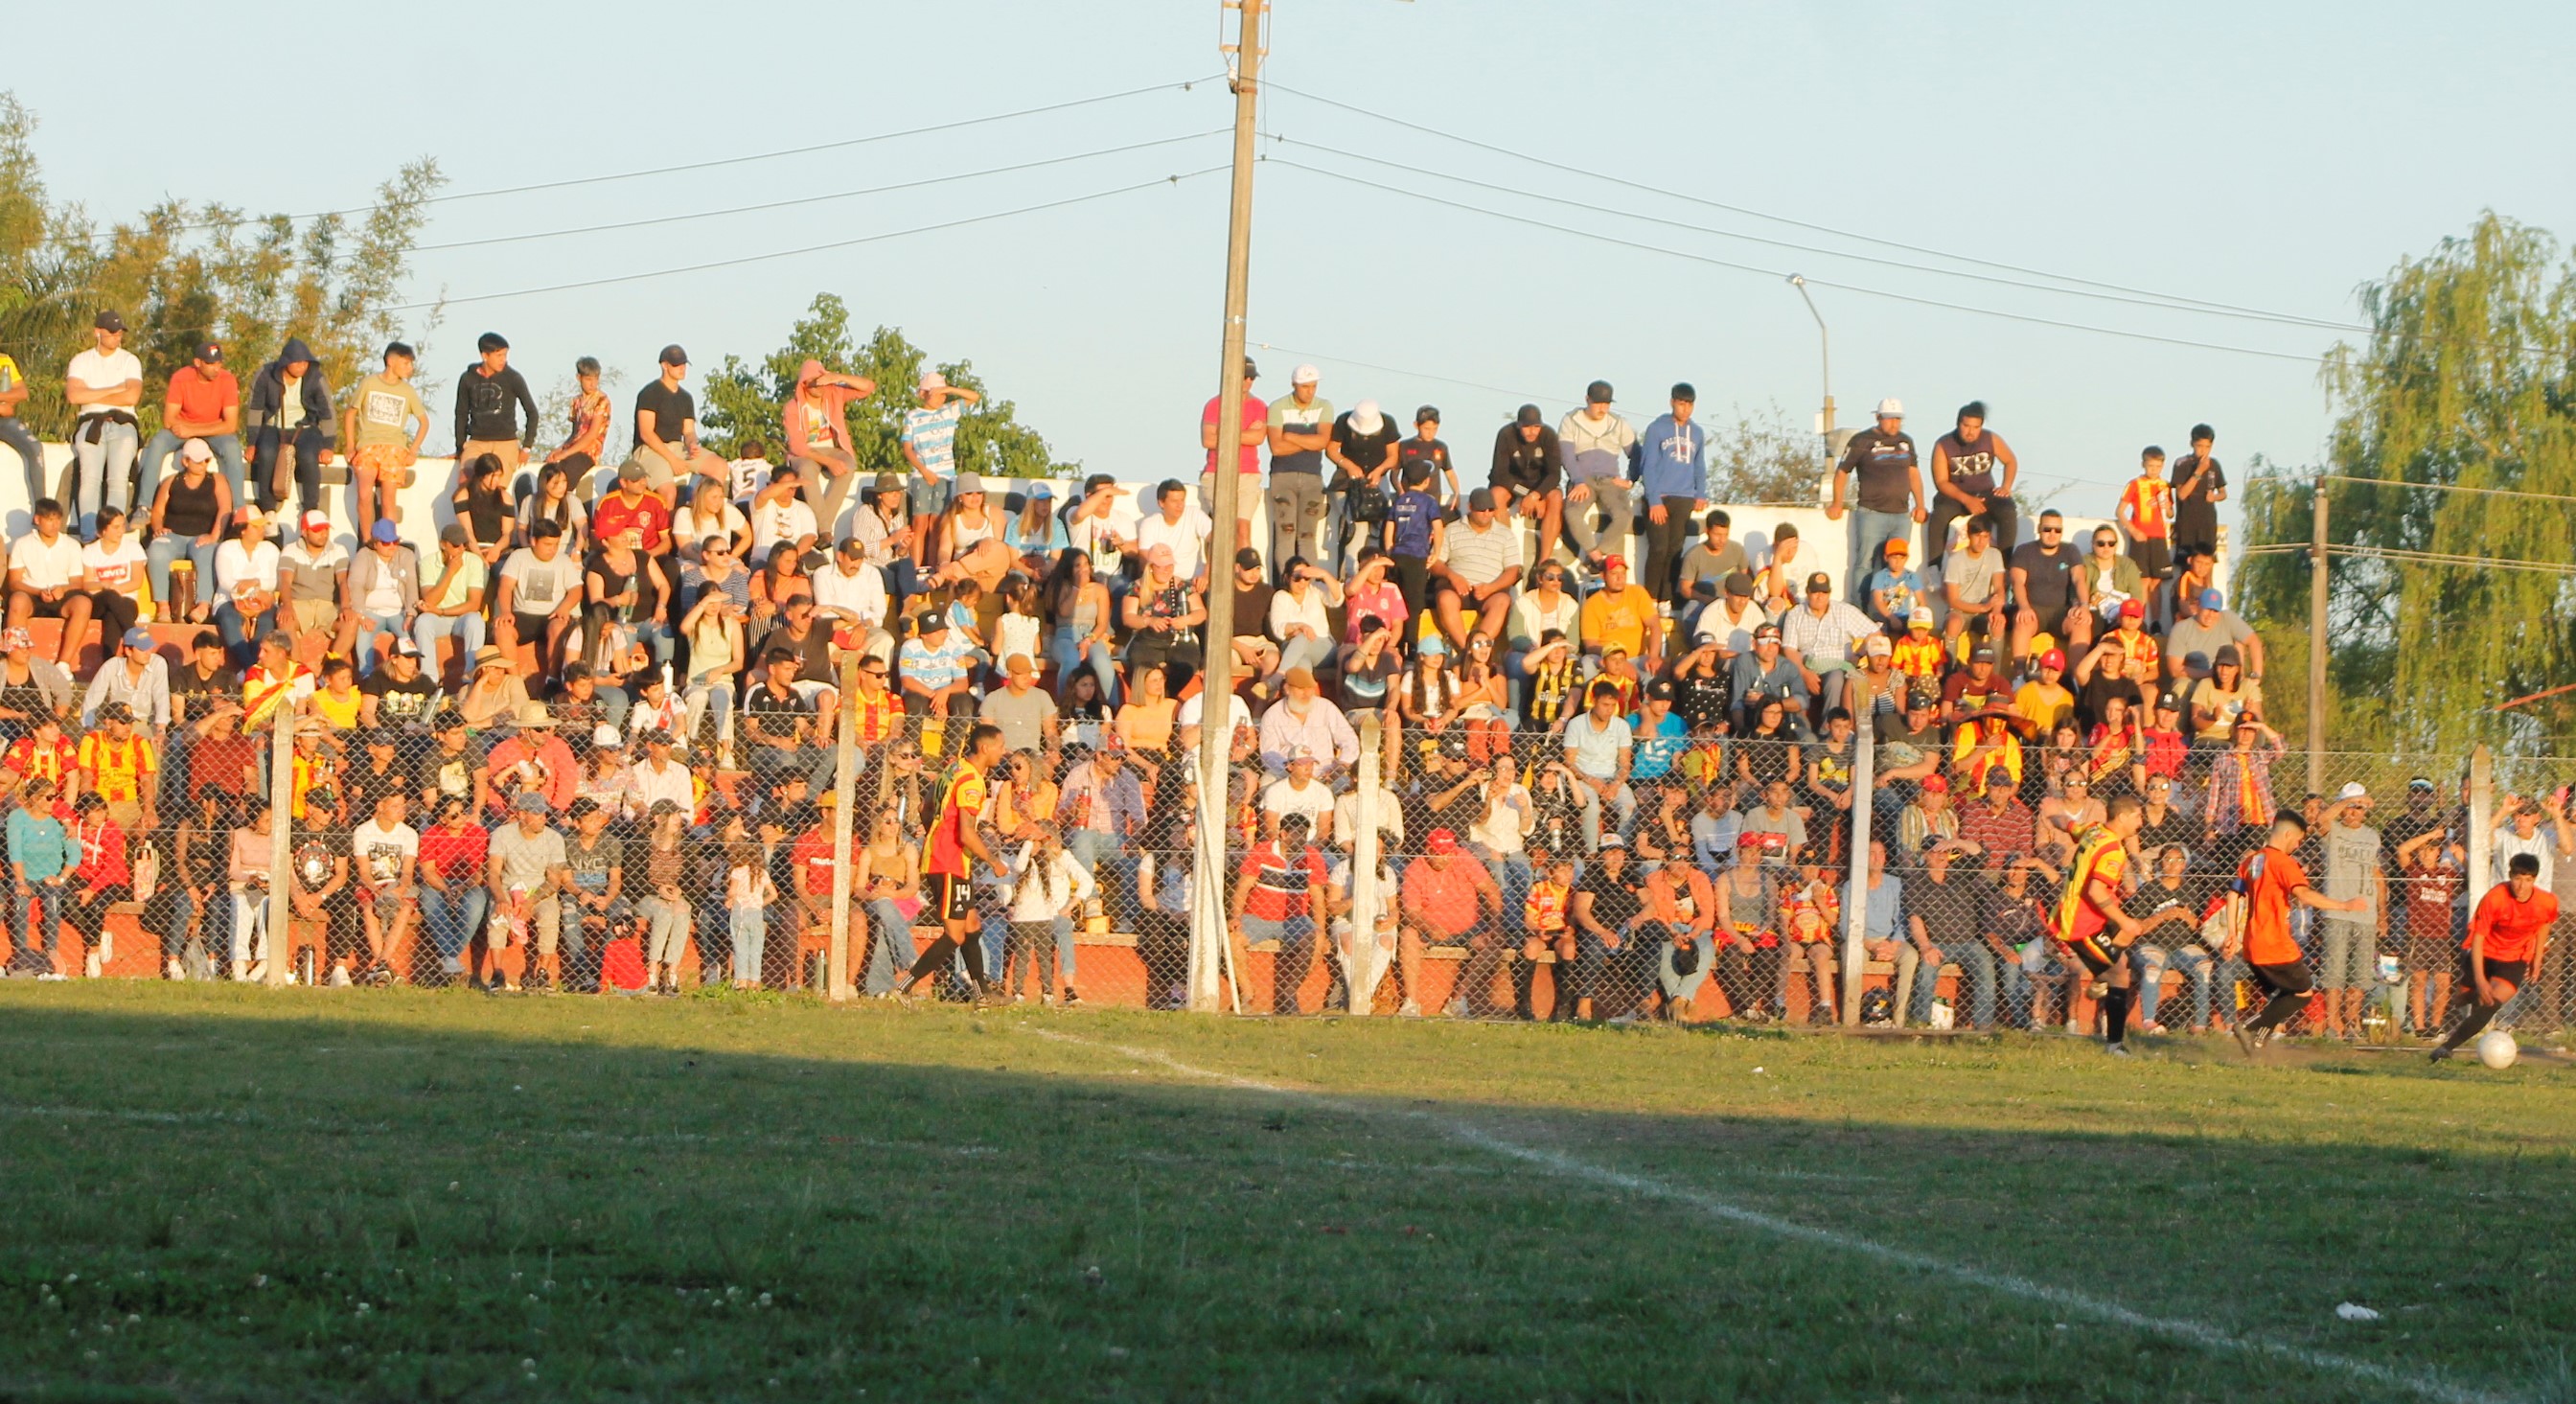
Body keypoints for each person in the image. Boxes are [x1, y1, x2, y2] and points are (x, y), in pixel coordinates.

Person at [2225, 807, 2369, 1053]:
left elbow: (2233, 893)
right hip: (2274, 944)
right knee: (2304, 992)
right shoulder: (2284, 862)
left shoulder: (2252, 860)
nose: (2297, 846)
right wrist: (2344, 905)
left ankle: (2258, 1041)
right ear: (2288, 835)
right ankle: (2249, 1027)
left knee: (2286, 994)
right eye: (2298, 840)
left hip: (2251, 943)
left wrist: (2231, 932)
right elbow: (2303, 893)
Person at [899, 723, 1006, 1000]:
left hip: (942, 857)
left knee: (971, 925)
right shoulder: (972, 781)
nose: (1002, 753)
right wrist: (994, 861)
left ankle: (983, 994)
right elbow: (967, 833)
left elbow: (927, 807)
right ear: (985, 748)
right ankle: (904, 987)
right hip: (950, 862)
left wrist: (935, 832)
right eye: (1000, 747)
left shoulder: (953, 768)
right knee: (955, 934)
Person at [2038, 795, 2149, 1052]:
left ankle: (2102, 979)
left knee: (2119, 959)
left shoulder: (2094, 829)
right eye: (2137, 817)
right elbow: (2097, 891)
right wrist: (2126, 922)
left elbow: (2068, 825)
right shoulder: (2113, 849)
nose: (2140, 823)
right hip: (2081, 924)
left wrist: (2053, 815)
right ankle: (2115, 1045)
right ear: (2122, 817)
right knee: (2121, 975)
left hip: (2077, 914)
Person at [1231, 811, 1331, 1015]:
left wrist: (1321, 928)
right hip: (1257, 917)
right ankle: (1247, 993)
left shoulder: (1312, 856)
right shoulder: (1263, 850)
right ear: (1284, 834)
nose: (1301, 839)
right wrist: (1235, 916)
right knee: (1233, 938)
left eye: (1304, 834)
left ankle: (1290, 992)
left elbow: (1318, 899)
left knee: (1317, 939)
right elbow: (1243, 888)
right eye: (1297, 834)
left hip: (1295, 920)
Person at [1827, 397, 1924, 585]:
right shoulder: (1862, 440)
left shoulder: (1906, 442)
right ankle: (1861, 610)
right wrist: (1837, 502)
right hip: (1872, 513)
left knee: (1897, 566)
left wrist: (1920, 505)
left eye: (1898, 419)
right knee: (1866, 564)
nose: (1894, 424)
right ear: (1878, 417)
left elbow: (1914, 474)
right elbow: (1842, 472)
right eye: (1889, 418)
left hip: (1901, 515)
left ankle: (1891, 609)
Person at [64, 311, 146, 533]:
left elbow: (131, 397)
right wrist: (115, 390)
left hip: (123, 422)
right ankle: (89, 533)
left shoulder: (129, 360)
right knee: (89, 480)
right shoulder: (81, 361)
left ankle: (114, 533)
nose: (116, 337)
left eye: (119, 333)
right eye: (111, 333)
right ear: (97, 332)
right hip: (91, 422)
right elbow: (74, 396)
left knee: (117, 481)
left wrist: (91, 393)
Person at [341, 341, 431, 536]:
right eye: (406, 363)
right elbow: (350, 413)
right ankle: (367, 540)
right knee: (364, 494)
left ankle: (387, 538)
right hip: (368, 445)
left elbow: (424, 422)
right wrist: (350, 445)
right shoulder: (369, 383)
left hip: (395, 448)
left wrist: (413, 449)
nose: (410, 368)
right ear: (391, 361)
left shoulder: (408, 391)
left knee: (389, 499)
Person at [140, 341, 244, 508]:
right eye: (210, 363)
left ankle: (238, 510)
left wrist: (193, 430)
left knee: (233, 448)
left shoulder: (228, 380)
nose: (216, 368)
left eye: (219, 363)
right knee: (158, 442)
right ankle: (144, 506)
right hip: (182, 428)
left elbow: (231, 425)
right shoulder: (181, 378)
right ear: (198, 363)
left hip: (212, 430)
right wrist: (186, 429)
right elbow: (169, 419)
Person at [781, 358, 877, 532]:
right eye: (814, 383)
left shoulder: (834, 393)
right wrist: (828, 462)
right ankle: (825, 530)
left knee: (847, 466)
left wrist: (838, 377)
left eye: (822, 382)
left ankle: (821, 527)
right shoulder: (792, 407)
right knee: (806, 471)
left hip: (833, 449)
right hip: (806, 453)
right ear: (804, 384)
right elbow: (796, 445)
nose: (820, 386)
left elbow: (868, 387)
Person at [244, 337, 337, 516]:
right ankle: (268, 508)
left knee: (309, 457)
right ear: (286, 362)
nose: (302, 367)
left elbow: (328, 412)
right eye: (297, 363)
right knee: (266, 454)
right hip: (272, 426)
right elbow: (255, 410)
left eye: (305, 362)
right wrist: (251, 442)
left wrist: (328, 445)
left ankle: (311, 509)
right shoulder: (265, 374)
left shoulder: (316, 378)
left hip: (305, 427)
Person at [1635, 383, 1711, 598]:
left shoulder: (1696, 432)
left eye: (1689, 404)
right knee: (1658, 547)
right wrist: (1654, 499)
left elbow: (1699, 464)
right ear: (1672, 403)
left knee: (1675, 549)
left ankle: (1666, 599)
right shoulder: (1657, 429)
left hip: (1684, 497)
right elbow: (1647, 466)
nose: (1685, 409)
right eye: (1681, 404)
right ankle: (1649, 597)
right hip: (1660, 496)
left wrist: (1701, 493)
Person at [1429, 488, 1524, 655]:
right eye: (1482, 510)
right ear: (1470, 507)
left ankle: (1479, 647)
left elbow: (1513, 570)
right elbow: (1435, 562)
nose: (1487, 514)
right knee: (1445, 598)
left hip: (1490, 590)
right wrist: (1453, 576)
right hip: (1457, 587)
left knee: (1502, 600)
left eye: (1490, 510)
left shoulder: (1506, 535)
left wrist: (1491, 588)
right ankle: (1468, 650)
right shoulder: (1451, 530)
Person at [1557, 381, 1639, 576]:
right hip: (1583, 479)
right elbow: (1566, 455)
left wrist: (1630, 479)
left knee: (1624, 515)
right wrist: (1578, 481)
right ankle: (1595, 557)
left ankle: (1597, 555)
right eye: (1598, 403)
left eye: (1607, 404)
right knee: (1572, 512)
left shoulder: (1618, 423)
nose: (1603, 408)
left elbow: (1636, 453)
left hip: (1610, 479)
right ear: (1587, 400)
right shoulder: (1571, 420)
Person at [1925, 401, 2018, 569]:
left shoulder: (1991, 439)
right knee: (1939, 515)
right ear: (1958, 423)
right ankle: (1933, 568)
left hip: (1985, 492)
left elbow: (2010, 461)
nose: (1970, 432)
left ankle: (2005, 567)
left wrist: (2006, 486)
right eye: (1966, 426)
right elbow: (1941, 482)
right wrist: (1966, 500)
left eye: (1976, 427)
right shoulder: (1943, 444)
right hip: (1955, 495)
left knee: (2008, 510)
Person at [628, 345, 725, 504]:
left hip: (677, 447)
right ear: (664, 365)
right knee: (669, 493)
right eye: (676, 365)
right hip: (650, 450)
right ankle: (667, 527)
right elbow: (646, 433)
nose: (682, 369)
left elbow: (688, 431)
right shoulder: (649, 393)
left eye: (684, 364)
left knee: (719, 466)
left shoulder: (686, 397)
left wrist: (692, 443)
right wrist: (672, 460)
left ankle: (697, 511)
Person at [8, 498, 94, 670]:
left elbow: (77, 582)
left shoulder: (71, 545)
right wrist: (38, 591)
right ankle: (17, 662)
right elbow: (15, 582)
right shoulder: (22, 544)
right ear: (37, 520)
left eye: (57, 519)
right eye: (49, 519)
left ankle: (63, 664)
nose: (54, 525)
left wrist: (63, 590)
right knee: (17, 601)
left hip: (62, 595)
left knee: (83, 604)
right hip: (32, 593)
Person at [1266, 365, 1333, 571]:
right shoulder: (1278, 407)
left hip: (1312, 476)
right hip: (1282, 475)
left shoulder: (1324, 406)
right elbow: (1277, 447)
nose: (1310, 391)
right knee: (1286, 532)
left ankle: (1308, 581)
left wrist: (1291, 437)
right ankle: (1288, 578)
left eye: (1313, 386)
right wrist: (1308, 441)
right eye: (1305, 387)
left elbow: (1322, 441)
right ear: (1294, 385)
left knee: (1307, 534)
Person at [1198, 357, 1267, 558]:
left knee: (1243, 528)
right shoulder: (1214, 404)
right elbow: (1208, 440)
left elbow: (1259, 437)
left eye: (1251, 377)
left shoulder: (1259, 405)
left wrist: (1225, 432)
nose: (1248, 381)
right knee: (1222, 528)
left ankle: (1242, 571)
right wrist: (1244, 433)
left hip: (1248, 472)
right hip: (1217, 471)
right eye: (1245, 377)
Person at [453, 332, 539, 493]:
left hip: (505, 442)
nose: (503, 360)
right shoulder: (467, 378)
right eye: (498, 355)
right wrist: (460, 446)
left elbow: (532, 412)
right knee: (465, 485)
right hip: (477, 441)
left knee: (496, 490)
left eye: (505, 355)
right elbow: (461, 413)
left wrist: (527, 446)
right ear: (485, 355)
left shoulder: (513, 378)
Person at [7, 774, 75, 977]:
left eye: (55, 796)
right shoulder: (17, 818)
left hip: (49, 876)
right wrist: (20, 881)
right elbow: (15, 851)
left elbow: (74, 852)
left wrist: (62, 877)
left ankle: (51, 948)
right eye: (49, 797)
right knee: (20, 898)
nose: (54, 801)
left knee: (52, 895)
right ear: (35, 799)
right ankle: (21, 950)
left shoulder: (58, 819)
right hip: (25, 875)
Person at [1329, 401, 1403, 575]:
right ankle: (1352, 572)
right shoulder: (1343, 421)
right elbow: (1332, 450)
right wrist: (1348, 465)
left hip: (1378, 481)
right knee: (1357, 526)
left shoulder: (1388, 423)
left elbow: (1393, 456)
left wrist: (1379, 470)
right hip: (1351, 483)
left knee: (1377, 527)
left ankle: (1372, 570)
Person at [2009, 509, 2091, 662]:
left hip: (2061, 612)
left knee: (2082, 624)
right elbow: (2017, 582)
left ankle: (2076, 680)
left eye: (2057, 530)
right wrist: (2024, 607)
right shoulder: (2024, 551)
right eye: (2047, 529)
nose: (2052, 534)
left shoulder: (2070, 550)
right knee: (2022, 621)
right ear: (2039, 529)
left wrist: (2084, 606)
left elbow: (2079, 579)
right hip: (2033, 609)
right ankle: (2019, 675)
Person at [1489, 404, 1566, 568]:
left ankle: (1543, 562)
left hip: (1539, 484)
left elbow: (1554, 474)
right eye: (1527, 427)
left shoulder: (1548, 435)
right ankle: (1506, 553)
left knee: (1556, 497)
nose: (1532, 432)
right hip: (1511, 482)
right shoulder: (1506, 434)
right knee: (1495, 495)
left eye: (1536, 427)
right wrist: (1526, 495)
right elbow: (1499, 474)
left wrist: (1536, 495)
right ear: (1518, 425)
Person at [413, 525, 489, 678]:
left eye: (464, 544)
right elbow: (429, 600)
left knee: (476, 621)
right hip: (437, 619)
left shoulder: (474, 561)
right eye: (456, 545)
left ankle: (471, 675)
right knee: (423, 622)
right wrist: (450, 572)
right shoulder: (427, 562)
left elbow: (474, 604)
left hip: (461, 617)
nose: (461, 549)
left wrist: (442, 611)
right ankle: (429, 679)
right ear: (443, 544)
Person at [540, 356, 611, 489]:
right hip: (573, 448)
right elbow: (575, 433)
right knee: (549, 471)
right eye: (588, 379)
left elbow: (592, 434)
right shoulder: (576, 402)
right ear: (579, 378)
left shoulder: (602, 400)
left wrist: (566, 453)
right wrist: (559, 449)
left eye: (595, 379)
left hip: (588, 452)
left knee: (563, 478)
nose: (593, 384)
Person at [1134, 478, 1215, 591]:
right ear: (1161, 503)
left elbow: (1217, 540)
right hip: (1164, 584)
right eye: (1174, 501)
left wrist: (1206, 574)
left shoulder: (1194, 514)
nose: (1180, 505)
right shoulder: (1149, 524)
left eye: (1182, 500)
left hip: (1196, 582)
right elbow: (1145, 561)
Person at [1943, 514, 2010, 650]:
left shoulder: (1994, 555)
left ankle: (1994, 670)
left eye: (1985, 537)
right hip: (1960, 610)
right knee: (1953, 623)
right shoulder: (1955, 560)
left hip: (1985, 610)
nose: (1981, 542)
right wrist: (1983, 608)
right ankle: (1950, 669)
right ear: (1969, 535)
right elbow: (1953, 600)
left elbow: (1999, 587)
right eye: (1977, 536)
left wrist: (1996, 611)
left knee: (1998, 624)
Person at [2117, 446, 2177, 583]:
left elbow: (2170, 514)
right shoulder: (2135, 484)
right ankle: (2141, 605)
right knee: (2142, 581)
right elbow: (2120, 511)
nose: (2154, 469)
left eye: (2158, 466)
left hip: (2159, 537)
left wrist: (2168, 507)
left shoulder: (2165, 485)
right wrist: (2133, 531)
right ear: (2143, 464)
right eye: (2150, 466)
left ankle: (2157, 606)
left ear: (2163, 466)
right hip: (2141, 537)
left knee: (2157, 582)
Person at [2169, 424, 2227, 563]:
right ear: (2192, 444)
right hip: (2187, 523)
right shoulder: (2182, 463)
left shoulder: (2214, 465)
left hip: (2207, 522)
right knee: (2187, 565)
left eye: (2207, 447)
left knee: (2207, 564)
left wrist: (2215, 497)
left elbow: (2223, 493)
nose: (2203, 450)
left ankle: (2208, 586)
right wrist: (2199, 471)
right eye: (2200, 446)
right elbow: (2182, 494)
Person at [449, 452, 517, 572]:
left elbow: (507, 533)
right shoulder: (463, 496)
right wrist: (479, 556)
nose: (495, 481)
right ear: (481, 475)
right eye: (491, 476)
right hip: (473, 548)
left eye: (498, 476)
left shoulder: (505, 497)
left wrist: (496, 550)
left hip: (499, 550)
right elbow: (467, 531)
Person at [0, 342, 41, 505]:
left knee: (35, 447)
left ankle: (41, 509)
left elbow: (22, 392)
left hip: (4, 419)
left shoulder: (4, 361)